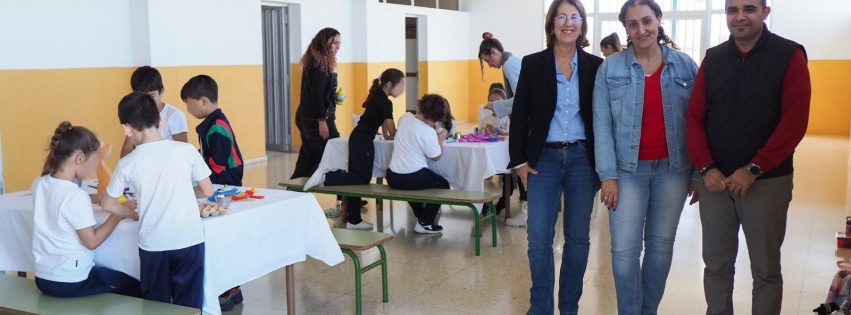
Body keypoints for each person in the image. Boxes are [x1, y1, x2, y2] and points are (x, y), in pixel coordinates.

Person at [686, 0, 810, 314]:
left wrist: (755, 168)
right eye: (732, 9)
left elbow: (794, 122)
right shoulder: (714, 59)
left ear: (765, 12)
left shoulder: (789, 55)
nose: (740, 16)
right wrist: (706, 168)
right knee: (716, 267)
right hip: (715, 183)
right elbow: (695, 117)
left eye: (749, 8)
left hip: (766, 182)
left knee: (766, 271)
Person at [592, 1, 698, 313]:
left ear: (659, 21)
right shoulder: (610, 69)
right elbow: (601, 124)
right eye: (634, 24)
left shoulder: (685, 66)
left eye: (647, 21)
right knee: (624, 253)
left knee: (660, 249)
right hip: (626, 172)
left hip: (674, 170)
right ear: (625, 28)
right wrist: (607, 175)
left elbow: (697, 122)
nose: (642, 30)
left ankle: (647, 310)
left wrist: (697, 173)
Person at [509, 0, 603, 313]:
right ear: (551, 24)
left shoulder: (594, 65)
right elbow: (520, 112)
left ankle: (569, 307)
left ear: (582, 25)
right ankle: (540, 307)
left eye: (574, 17)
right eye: (561, 16)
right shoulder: (533, 63)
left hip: (581, 159)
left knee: (578, 238)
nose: (568, 22)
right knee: (538, 237)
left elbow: (601, 118)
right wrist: (519, 161)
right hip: (543, 161)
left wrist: (603, 165)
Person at [100, 92, 214, 309]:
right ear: (161, 121)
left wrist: (131, 213)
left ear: (127, 128)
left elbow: (107, 204)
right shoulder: (186, 150)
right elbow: (207, 189)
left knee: (155, 305)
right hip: (189, 239)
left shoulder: (128, 163)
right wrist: (180, 192)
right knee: (190, 304)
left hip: (154, 244)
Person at [31, 121, 140, 298]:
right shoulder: (75, 196)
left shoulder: (40, 184)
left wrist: (94, 199)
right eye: (96, 159)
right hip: (72, 281)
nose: (96, 165)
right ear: (80, 159)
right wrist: (117, 213)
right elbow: (92, 241)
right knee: (136, 284)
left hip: (43, 278)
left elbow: (58, 202)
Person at [180, 74, 245, 310]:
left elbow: (216, 163)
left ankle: (230, 288)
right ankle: (232, 288)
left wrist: (198, 175)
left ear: (204, 101)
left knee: (221, 235)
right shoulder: (212, 122)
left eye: (190, 105)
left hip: (225, 180)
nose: (189, 110)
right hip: (219, 180)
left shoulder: (216, 126)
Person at [324, 68, 405, 230]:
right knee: (360, 178)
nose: (402, 89)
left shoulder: (379, 97)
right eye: (401, 85)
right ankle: (327, 178)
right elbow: (392, 131)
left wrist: (389, 136)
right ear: (389, 84)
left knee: (358, 177)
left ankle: (354, 219)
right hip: (362, 141)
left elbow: (385, 129)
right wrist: (407, 134)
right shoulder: (385, 102)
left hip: (359, 138)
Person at [477, 32, 529, 226]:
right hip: (524, 122)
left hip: (526, 123)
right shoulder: (511, 62)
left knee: (522, 166)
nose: (489, 65)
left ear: (493, 52)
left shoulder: (509, 65)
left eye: (487, 60)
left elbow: (521, 99)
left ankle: (526, 211)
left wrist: (496, 106)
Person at [385, 94, 453, 234]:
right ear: (433, 117)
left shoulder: (405, 118)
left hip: (392, 176)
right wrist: (440, 138)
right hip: (413, 177)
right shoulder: (427, 131)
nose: (434, 124)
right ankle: (425, 222)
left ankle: (421, 216)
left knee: (411, 188)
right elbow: (436, 157)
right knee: (444, 185)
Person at [291, 28, 342, 179]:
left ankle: (293, 193)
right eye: (335, 43)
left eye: (340, 43)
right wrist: (321, 121)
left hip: (309, 116)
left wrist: (334, 97)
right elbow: (315, 95)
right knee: (333, 154)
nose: (338, 46)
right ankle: (347, 198)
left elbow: (318, 92)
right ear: (325, 43)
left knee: (309, 157)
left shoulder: (318, 60)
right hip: (316, 119)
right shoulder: (320, 64)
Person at [121, 66, 189, 157]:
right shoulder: (136, 115)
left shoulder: (174, 115)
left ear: (161, 92)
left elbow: (183, 150)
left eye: (151, 96)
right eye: (142, 97)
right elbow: (127, 149)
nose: (147, 102)